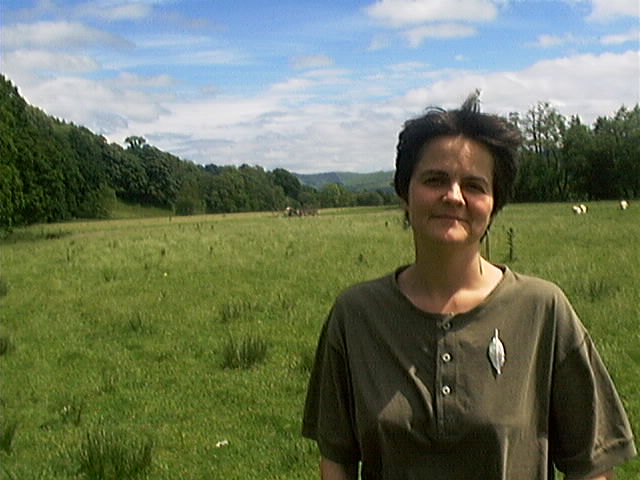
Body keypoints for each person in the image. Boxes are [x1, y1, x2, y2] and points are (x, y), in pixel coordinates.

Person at [302, 93, 636, 480]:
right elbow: (337, 459)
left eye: (475, 185)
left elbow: (591, 465)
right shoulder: (356, 315)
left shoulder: (543, 309)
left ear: (494, 204)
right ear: (403, 194)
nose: (454, 196)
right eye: (434, 179)